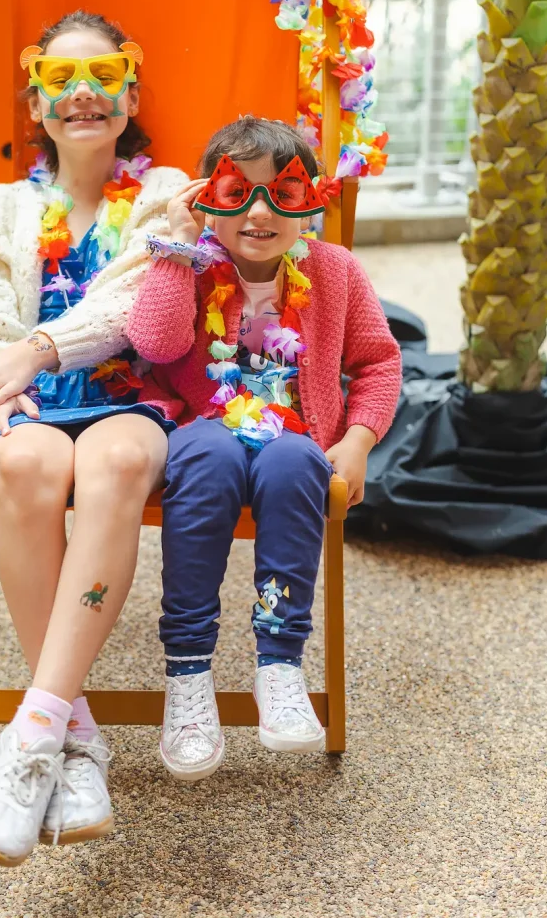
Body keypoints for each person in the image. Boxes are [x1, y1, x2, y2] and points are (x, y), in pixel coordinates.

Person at [0, 10, 187, 865]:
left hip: (130, 398)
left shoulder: (166, 194)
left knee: (117, 458)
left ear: (129, 93)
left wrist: (38, 347)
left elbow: (133, 309)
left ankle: (31, 736)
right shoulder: (1, 205)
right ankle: (77, 740)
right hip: (26, 405)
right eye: (59, 80)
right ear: (36, 105)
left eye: (102, 76)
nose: (83, 93)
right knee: (21, 460)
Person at [128, 116, 401, 780]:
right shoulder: (190, 263)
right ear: (205, 199)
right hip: (204, 425)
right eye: (234, 191)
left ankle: (279, 665)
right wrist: (176, 242)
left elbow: (379, 364)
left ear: (309, 204)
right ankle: (189, 674)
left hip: (297, 433)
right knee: (211, 460)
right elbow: (154, 345)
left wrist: (359, 439)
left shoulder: (334, 271)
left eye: (282, 191)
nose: (259, 209)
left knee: (292, 465)